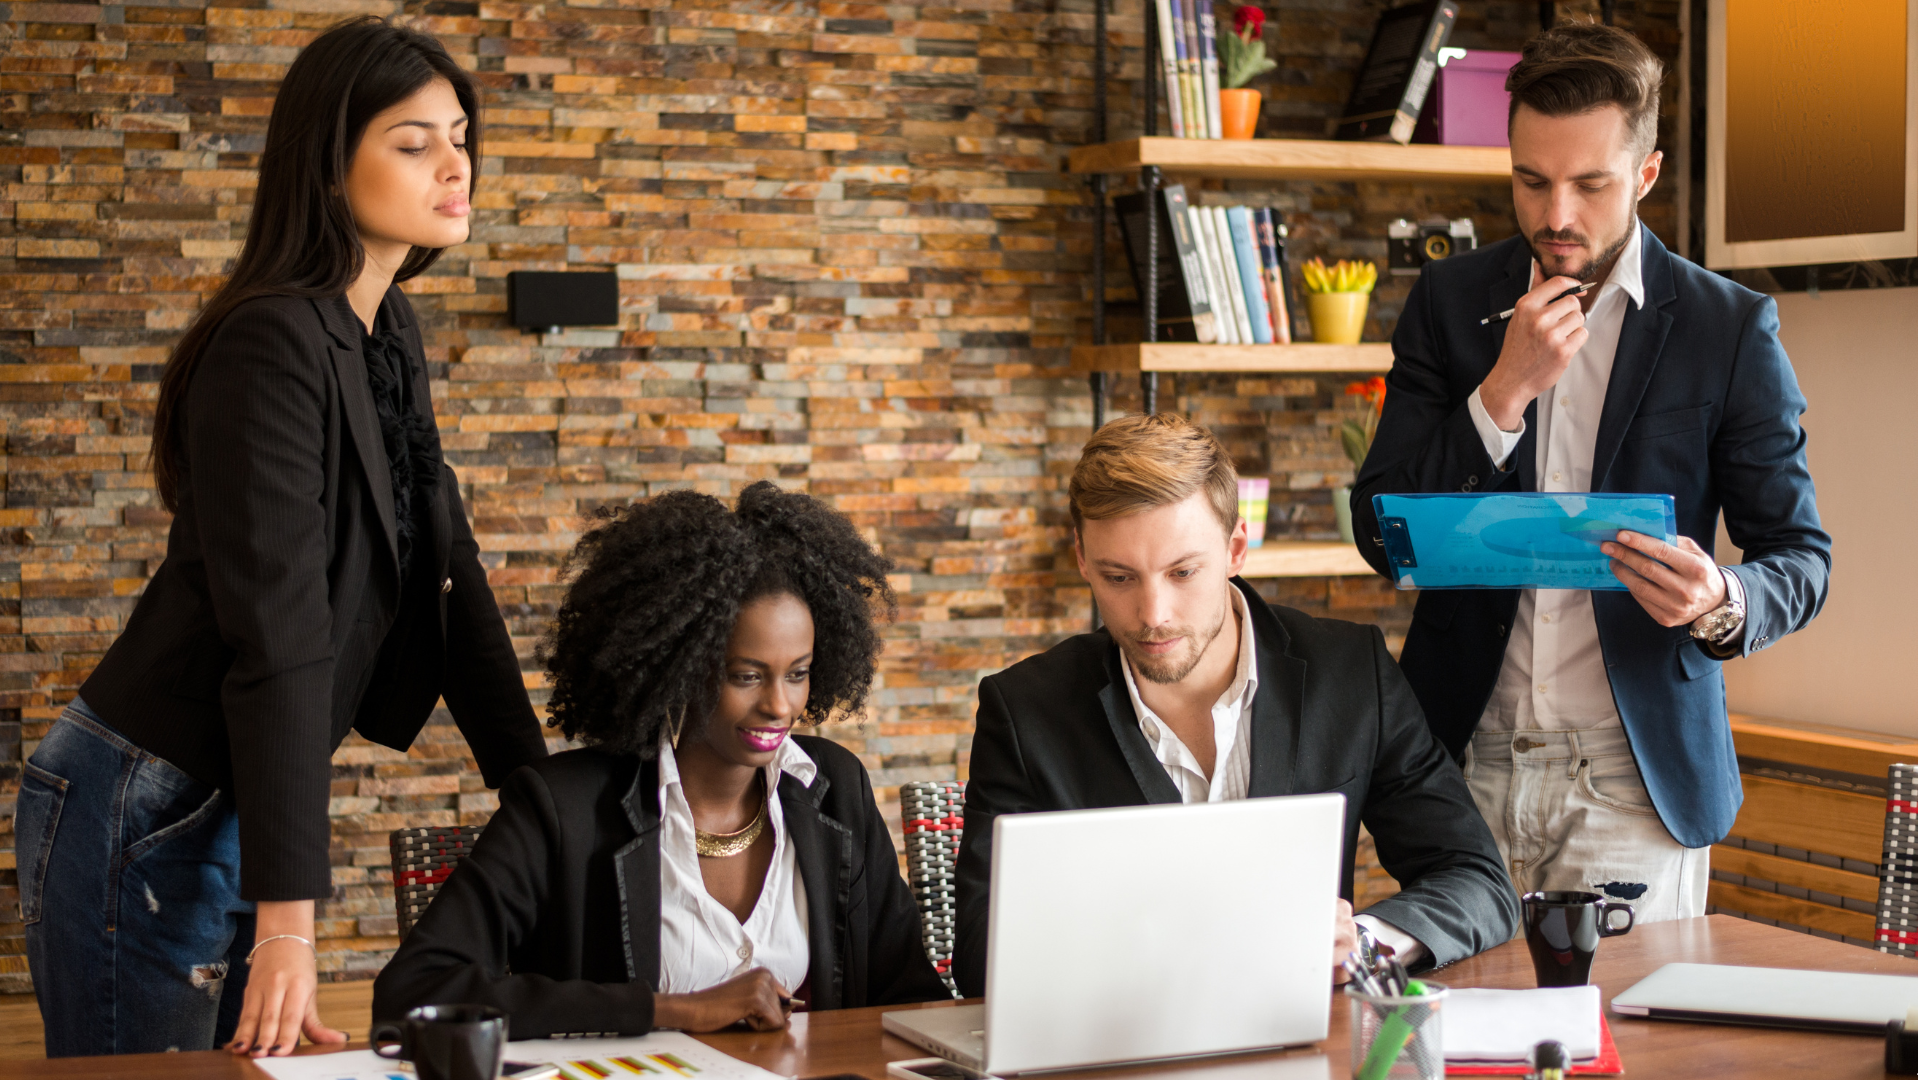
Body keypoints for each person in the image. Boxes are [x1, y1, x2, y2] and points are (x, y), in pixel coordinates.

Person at [10, 18, 552, 1059]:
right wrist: (290, 927)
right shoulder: (271, 343)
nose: (456, 163)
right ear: (328, 161)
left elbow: (449, 574)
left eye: (459, 134)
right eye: (412, 141)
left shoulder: (385, 328)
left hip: (224, 789)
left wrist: (543, 800)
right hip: (144, 800)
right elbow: (283, 636)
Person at [1350, 24, 1829, 923]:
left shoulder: (1728, 329)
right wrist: (1502, 393)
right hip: (1460, 768)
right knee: (1461, 1053)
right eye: (1531, 181)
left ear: (1645, 175)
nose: (1555, 214)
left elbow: (1798, 557)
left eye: (1590, 184)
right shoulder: (1450, 307)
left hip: (1634, 781)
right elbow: (1380, 531)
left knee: (1625, 1054)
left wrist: (1719, 597)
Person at [952, 414, 1518, 996]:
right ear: (1081, 559)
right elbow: (978, 954)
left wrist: (1363, 943)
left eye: (1184, 572)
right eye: (1118, 578)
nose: (1153, 614)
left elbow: (1476, 881)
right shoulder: (1023, 710)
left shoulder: (1352, 671)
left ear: (1236, 549)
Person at [373, 482, 950, 1037]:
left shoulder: (835, 789)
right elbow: (413, 991)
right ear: (679, 665)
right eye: (745, 676)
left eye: (797, 674)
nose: (780, 705)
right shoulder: (563, 810)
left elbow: (909, 997)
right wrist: (669, 1010)